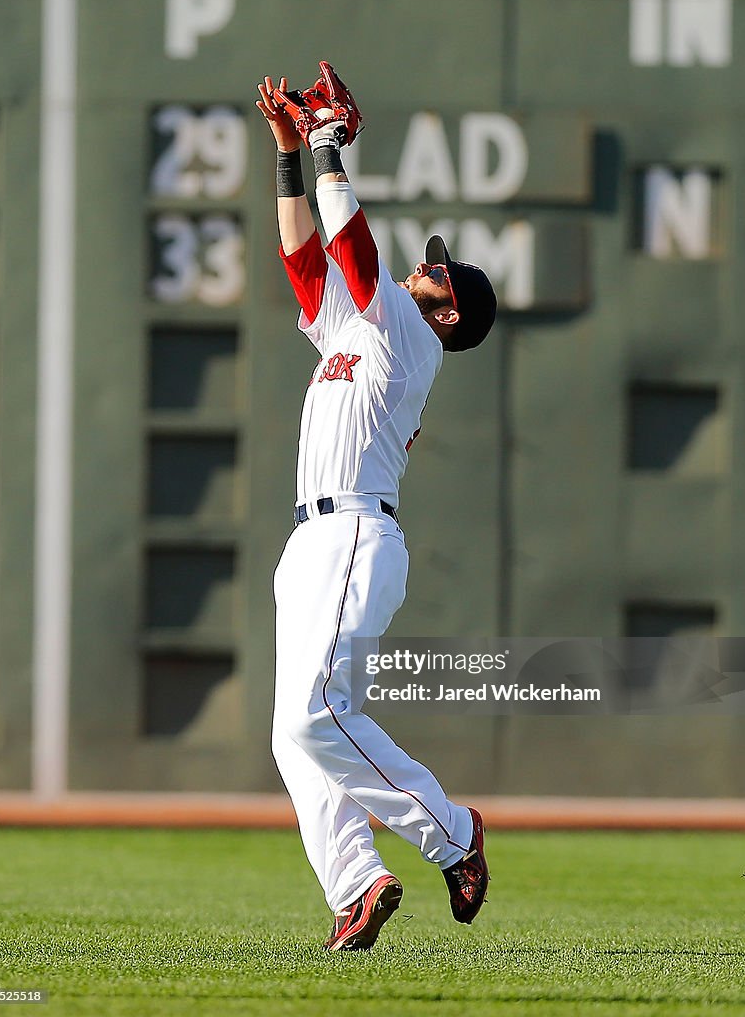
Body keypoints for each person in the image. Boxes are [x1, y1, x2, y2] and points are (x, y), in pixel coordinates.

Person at [256, 70, 497, 953]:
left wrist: (330, 146)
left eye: (441, 268)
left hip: (355, 530)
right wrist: (292, 152)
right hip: (311, 539)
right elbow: (304, 259)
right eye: (427, 259)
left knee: (316, 713)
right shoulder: (360, 325)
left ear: (451, 308)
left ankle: (454, 834)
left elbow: (353, 250)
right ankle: (358, 886)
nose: (425, 265)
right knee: (295, 735)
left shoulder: (407, 331)